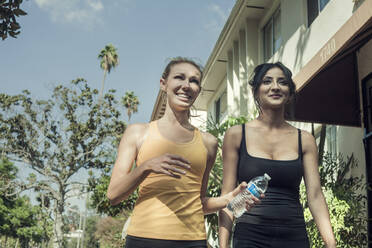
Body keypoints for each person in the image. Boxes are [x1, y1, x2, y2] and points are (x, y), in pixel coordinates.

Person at [107, 57, 244, 248]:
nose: (187, 85)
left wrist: (227, 200)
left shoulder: (208, 143)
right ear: (164, 84)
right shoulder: (137, 132)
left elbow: (199, 202)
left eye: (194, 81)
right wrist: (146, 167)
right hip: (145, 238)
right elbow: (113, 195)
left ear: (198, 91)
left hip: (193, 241)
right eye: (180, 77)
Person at [218, 62, 336, 248]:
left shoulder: (304, 139)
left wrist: (331, 243)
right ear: (256, 91)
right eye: (267, 81)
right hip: (249, 236)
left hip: (293, 235)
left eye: (282, 82)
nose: (275, 87)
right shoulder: (236, 135)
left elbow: (314, 195)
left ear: (289, 93)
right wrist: (223, 245)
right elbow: (227, 196)